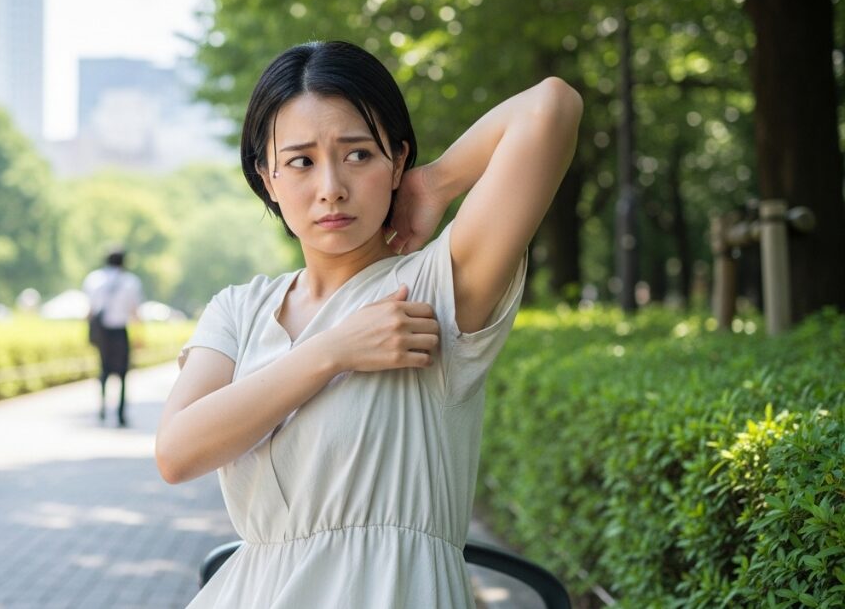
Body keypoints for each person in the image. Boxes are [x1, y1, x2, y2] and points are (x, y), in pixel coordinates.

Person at [156, 41, 581, 608]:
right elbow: (177, 452)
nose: (331, 185)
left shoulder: (440, 287)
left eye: (357, 154)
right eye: (301, 161)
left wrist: (434, 184)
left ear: (397, 160)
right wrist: (333, 351)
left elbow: (551, 107)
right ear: (268, 177)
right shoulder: (240, 309)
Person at [82, 248, 143, 427]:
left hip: (101, 331)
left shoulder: (94, 279)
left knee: (103, 370)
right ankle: (120, 413)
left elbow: (89, 311)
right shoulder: (130, 281)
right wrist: (140, 336)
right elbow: (134, 312)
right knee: (123, 373)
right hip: (119, 330)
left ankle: (102, 408)